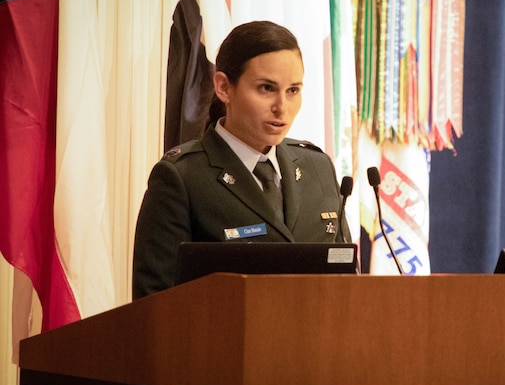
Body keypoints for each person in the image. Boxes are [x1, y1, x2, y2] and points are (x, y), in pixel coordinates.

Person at [132, 20, 351, 299]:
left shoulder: (316, 166)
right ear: (224, 87)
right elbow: (154, 305)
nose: (281, 108)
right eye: (266, 88)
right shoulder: (182, 177)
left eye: (293, 90)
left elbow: (345, 278)